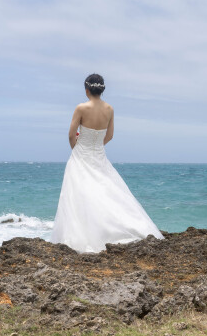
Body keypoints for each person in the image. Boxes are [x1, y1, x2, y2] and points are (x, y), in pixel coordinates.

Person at [50, 73, 163, 253]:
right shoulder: (109, 109)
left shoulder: (81, 108)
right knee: (107, 190)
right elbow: (109, 135)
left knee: (80, 193)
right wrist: (96, 147)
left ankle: (87, 234)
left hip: (81, 154)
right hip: (99, 155)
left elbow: (71, 134)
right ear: (102, 90)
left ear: (87, 90)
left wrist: (77, 149)